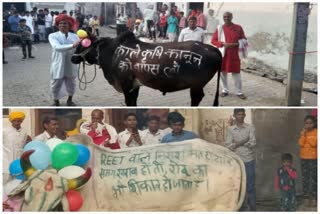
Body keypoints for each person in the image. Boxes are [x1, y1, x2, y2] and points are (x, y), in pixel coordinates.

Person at [225, 108, 256, 211]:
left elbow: (252, 143)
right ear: (234, 115)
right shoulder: (230, 129)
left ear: (245, 115)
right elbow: (228, 145)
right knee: (237, 185)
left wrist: (237, 144)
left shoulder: (250, 127)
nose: (240, 116)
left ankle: (252, 208)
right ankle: (240, 208)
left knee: (250, 185)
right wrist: (243, 141)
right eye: (238, 114)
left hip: (248, 160)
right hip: (236, 161)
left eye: (242, 114)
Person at [211, 12, 247, 99]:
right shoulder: (220, 28)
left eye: (228, 16)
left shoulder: (238, 27)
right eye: (225, 17)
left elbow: (244, 39)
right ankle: (225, 90)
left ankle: (239, 92)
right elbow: (213, 40)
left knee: (236, 74)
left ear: (232, 17)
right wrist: (223, 44)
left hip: (235, 54)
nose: (226, 18)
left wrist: (237, 44)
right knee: (222, 73)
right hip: (223, 54)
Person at [48, 14, 80, 106]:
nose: (62, 25)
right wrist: (72, 45)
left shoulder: (75, 36)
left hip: (71, 62)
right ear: (57, 25)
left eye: (65, 23)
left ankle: (70, 99)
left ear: (69, 25)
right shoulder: (52, 36)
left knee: (72, 82)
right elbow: (56, 47)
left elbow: (79, 49)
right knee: (55, 82)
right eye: (60, 23)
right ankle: (56, 101)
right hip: (58, 63)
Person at [3, 111, 32, 184]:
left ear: (21, 121)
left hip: (18, 164)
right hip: (6, 163)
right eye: (15, 121)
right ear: (11, 121)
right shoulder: (4, 131)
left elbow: (24, 145)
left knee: (17, 184)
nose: (17, 123)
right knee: (5, 183)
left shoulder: (24, 132)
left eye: (19, 121)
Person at [298, 115, 317, 207]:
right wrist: (303, 135)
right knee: (305, 178)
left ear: (314, 124)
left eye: (310, 123)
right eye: (306, 123)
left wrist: (306, 136)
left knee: (314, 179)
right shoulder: (303, 132)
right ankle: (306, 198)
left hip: (313, 159)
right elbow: (301, 143)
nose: (308, 125)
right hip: (304, 158)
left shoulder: (316, 132)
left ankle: (314, 198)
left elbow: (314, 143)